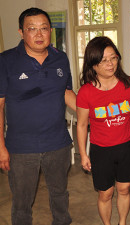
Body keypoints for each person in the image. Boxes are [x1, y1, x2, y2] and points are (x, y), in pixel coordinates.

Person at [0, 7, 76, 225]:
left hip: (58, 143)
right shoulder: (5, 61)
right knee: (22, 202)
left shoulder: (60, 58)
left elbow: (67, 93)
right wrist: (1, 146)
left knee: (60, 195)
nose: (39, 34)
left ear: (51, 30)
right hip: (21, 148)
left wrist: (95, 109)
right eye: (32, 29)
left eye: (44, 28)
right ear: (21, 32)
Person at [76, 36, 130, 225]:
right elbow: (81, 125)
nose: (110, 63)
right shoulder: (86, 92)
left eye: (113, 58)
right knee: (106, 194)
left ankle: (122, 222)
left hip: (126, 147)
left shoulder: (127, 83)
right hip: (101, 150)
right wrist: (83, 154)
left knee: (124, 190)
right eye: (104, 60)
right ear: (93, 64)